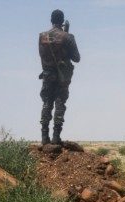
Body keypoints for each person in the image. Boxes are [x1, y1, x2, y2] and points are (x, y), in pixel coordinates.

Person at [38, 9, 80, 145]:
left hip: (47, 75)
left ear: (51, 20)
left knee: (46, 104)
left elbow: (42, 56)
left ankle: (44, 138)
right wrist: (67, 36)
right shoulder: (67, 37)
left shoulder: (42, 36)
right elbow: (76, 58)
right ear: (62, 21)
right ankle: (56, 137)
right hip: (62, 77)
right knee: (60, 104)